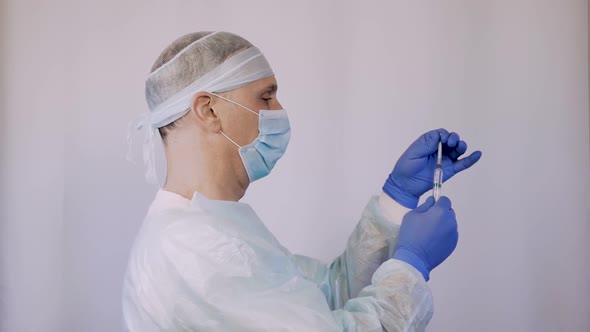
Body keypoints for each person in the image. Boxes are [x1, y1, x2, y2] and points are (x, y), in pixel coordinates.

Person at [122, 31, 482, 331]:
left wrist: (396, 197)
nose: (279, 112)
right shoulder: (196, 248)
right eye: (266, 96)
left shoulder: (212, 226)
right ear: (209, 110)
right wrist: (411, 264)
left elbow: (326, 295)